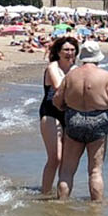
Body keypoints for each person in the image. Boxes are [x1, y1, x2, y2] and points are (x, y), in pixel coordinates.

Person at [51, 41, 108, 202]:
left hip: (74, 119)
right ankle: (96, 210)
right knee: (95, 171)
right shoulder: (105, 76)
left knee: (67, 170)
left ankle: (61, 205)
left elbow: (56, 101)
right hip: (98, 121)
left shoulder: (71, 76)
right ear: (98, 58)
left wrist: (68, 108)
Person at [34, 36, 78, 195]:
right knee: (55, 157)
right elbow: (59, 87)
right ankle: (44, 193)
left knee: (66, 161)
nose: (70, 53)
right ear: (58, 52)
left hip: (69, 112)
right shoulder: (53, 67)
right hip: (50, 112)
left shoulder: (75, 69)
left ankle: (61, 195)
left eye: (73, 50)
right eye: (66, 50)